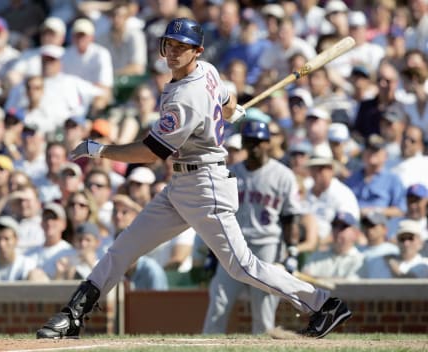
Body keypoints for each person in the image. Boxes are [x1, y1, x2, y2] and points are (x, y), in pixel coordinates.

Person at [36, 17, 351, 340]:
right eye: (169, 44)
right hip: (182, 185)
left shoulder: (184, 97)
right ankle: (72, 315)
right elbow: (227, 104)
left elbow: (151, 152)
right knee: (123, 249)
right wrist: (230, 111)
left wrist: (99, 150)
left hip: (205, 186)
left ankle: (323, 304)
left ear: (197, 51)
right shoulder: (209, 70)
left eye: (182, 47)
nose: (173, 52)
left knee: (241, 267)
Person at [203, 118, 302, 334]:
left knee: (264, 308)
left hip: (266, 245)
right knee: (219, 303)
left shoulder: (283, 175)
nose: (254, 146)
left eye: (259, 141)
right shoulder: (230, 173)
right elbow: (216, 213)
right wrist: (212, 250)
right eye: (249, 141)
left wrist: (292, 250)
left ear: (268, 142)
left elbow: (290, 218)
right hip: (232, 245)